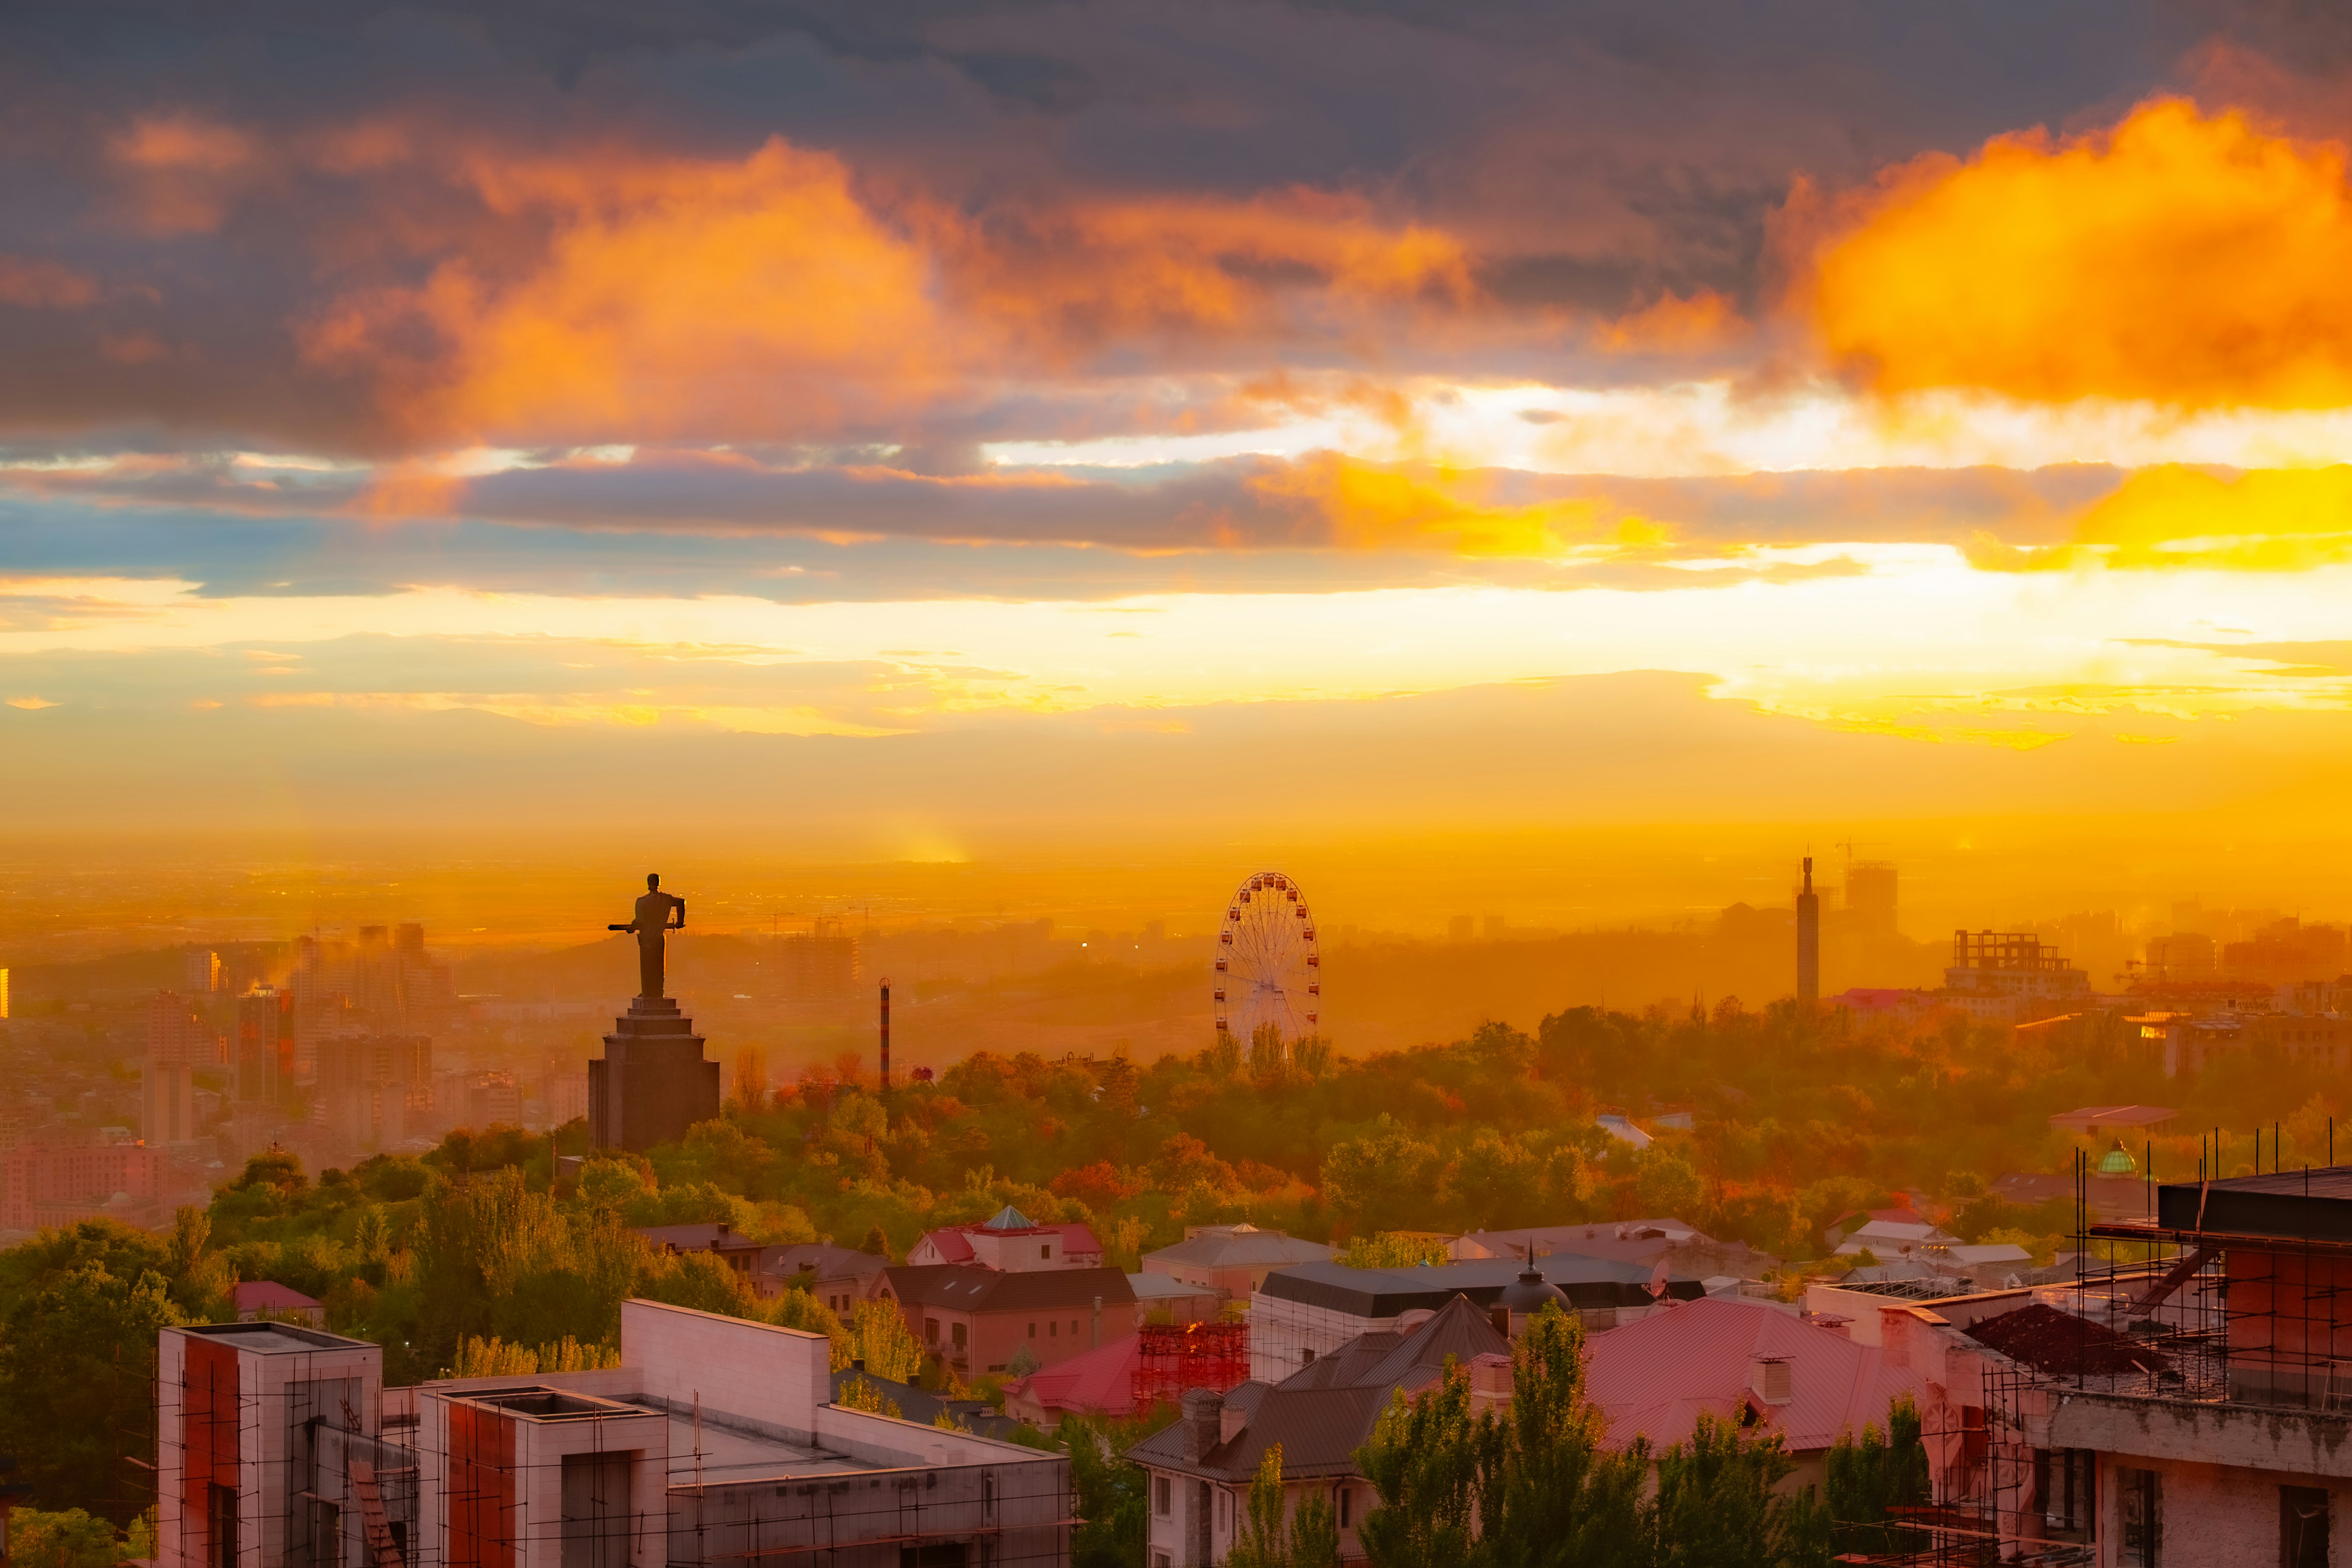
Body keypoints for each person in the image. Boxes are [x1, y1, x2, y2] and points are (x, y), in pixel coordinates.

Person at [609, 873, 686, 999]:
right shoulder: (665, 900)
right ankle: (658, 993)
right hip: (659, 938)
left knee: (647, 967)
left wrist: (632, 928)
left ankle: (648, 993)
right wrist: (680, 922)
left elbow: (640, 922)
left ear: (648, 883)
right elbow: (681, 903)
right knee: (659, 966)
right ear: (659, 883)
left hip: (647, 940)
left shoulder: (642, 902)